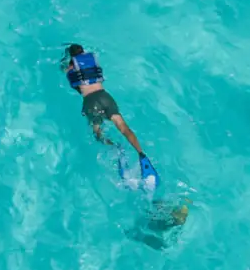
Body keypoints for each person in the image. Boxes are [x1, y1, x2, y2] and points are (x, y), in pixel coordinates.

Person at [63, 44, 188, 239]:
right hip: (105, 97)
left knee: (98, 134)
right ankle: (140, 152)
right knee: (124, 128)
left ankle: (115, 147)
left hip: (90, 102)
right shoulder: (91, 61)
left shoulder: (71, 67)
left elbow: (67, 72)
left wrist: (65, 62)